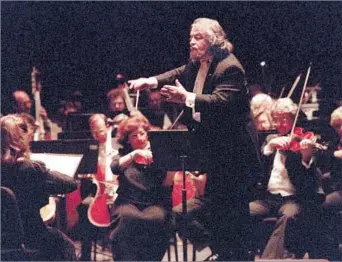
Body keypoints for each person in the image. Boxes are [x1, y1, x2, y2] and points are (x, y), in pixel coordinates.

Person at [129, 17, 261, 260]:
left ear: (214, 41)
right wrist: (152, 81)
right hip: (218, 153)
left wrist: (186, 98)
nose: (191, 41)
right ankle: (223, 254)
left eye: (198, 37)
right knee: (221, 215)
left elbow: (221, 102)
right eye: (191, 36)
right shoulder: (200, 63)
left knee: (233, 218)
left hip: (236, 156)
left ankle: (236, 256)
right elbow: (179, 72)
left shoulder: (229, 67)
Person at [249, 98, 339, 260]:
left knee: (289, 215)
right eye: (276, 118)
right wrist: (269, 148)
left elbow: (308, 182)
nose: (280, 123)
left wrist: (305, 158)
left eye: (284, 118)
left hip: (292, 199)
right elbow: (256, 168)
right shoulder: (270, 140)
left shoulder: (303, 140)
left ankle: (269, 259)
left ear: (293, 118)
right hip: (268, 199)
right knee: (243, 211)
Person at [1, 114, 77, 260]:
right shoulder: (31, 169)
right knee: (66, 245)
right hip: (31, 237)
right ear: (22, 139)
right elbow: (70, 184)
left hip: (3, 240)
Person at [109, 115, 173, 261]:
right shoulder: (124, 154)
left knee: (156, 219)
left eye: (142, 134)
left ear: (147, 134)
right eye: (134, 136)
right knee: (126, 218)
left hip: (155, 202)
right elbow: (114, 167)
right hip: (128, 202)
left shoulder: (160, 152)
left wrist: (170, 163)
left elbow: (166, 184)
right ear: (127, 140)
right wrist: (135, 154)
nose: (139, 138)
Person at [77, 113, 119, 261]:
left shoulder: (118, 143)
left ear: (108, 127)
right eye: (93, 132)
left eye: (100, 131)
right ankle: (86, 254)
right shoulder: (91, 148)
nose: (96, 135)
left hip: (119, 189)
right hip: (99, 190)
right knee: (83, 206)